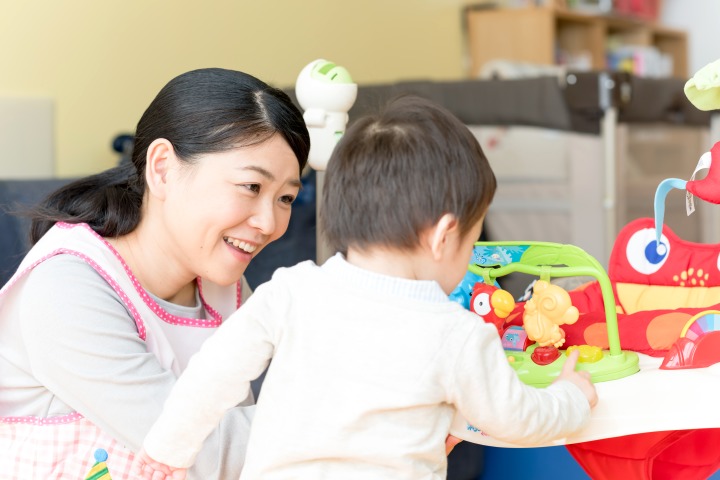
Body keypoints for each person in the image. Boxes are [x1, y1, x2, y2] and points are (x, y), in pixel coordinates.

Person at [132, 95, 598, 480]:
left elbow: (214, 374)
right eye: (474, 239)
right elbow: (518, 419)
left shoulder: (291, 291)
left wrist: (167, 451)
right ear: (442, 235)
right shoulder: (457, 334)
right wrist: (571, 396)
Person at [0, 67, 310, 479]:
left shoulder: (223, 285)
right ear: (162, 167)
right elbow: (207, 453)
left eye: (286, 197)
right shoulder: (66, 288)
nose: (269, 223)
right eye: (251, 187)